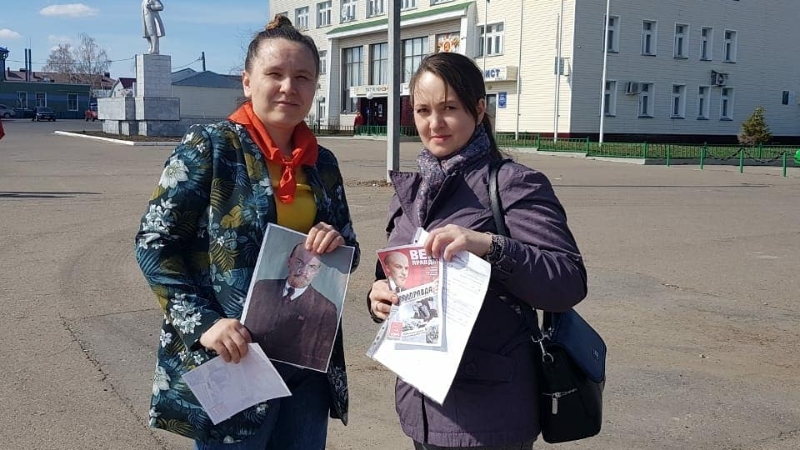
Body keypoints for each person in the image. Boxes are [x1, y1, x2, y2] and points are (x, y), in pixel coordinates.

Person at [135, 14, 360, 449]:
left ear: (315, 87)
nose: (288, 87)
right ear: (247, 81)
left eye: (302, 77)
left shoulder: (322, 163)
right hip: (234, 356)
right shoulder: (211, 146)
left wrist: (336, 241)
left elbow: (349, 248)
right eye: (274, 74)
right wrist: (205, 323)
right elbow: (154, 244)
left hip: (306, 361)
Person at [367, 52, 587, 449]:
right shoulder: (410, 193)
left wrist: (490, 246)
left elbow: (567, 280)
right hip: (422, 407)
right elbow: (394, 274)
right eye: (423, 110)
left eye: (449, 108)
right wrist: (379, 296)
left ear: (479, 109)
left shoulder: (512, 184)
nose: (434, 123)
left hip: (489, 414)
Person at [246, 243, 339, 371]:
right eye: (299, 263)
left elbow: (320, 359)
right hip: (251, 366)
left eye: (312, 267)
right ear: (289, 262)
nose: (303, 271)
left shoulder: (326, 309)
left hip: (297, 377)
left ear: (317, 272)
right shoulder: (262, 288)